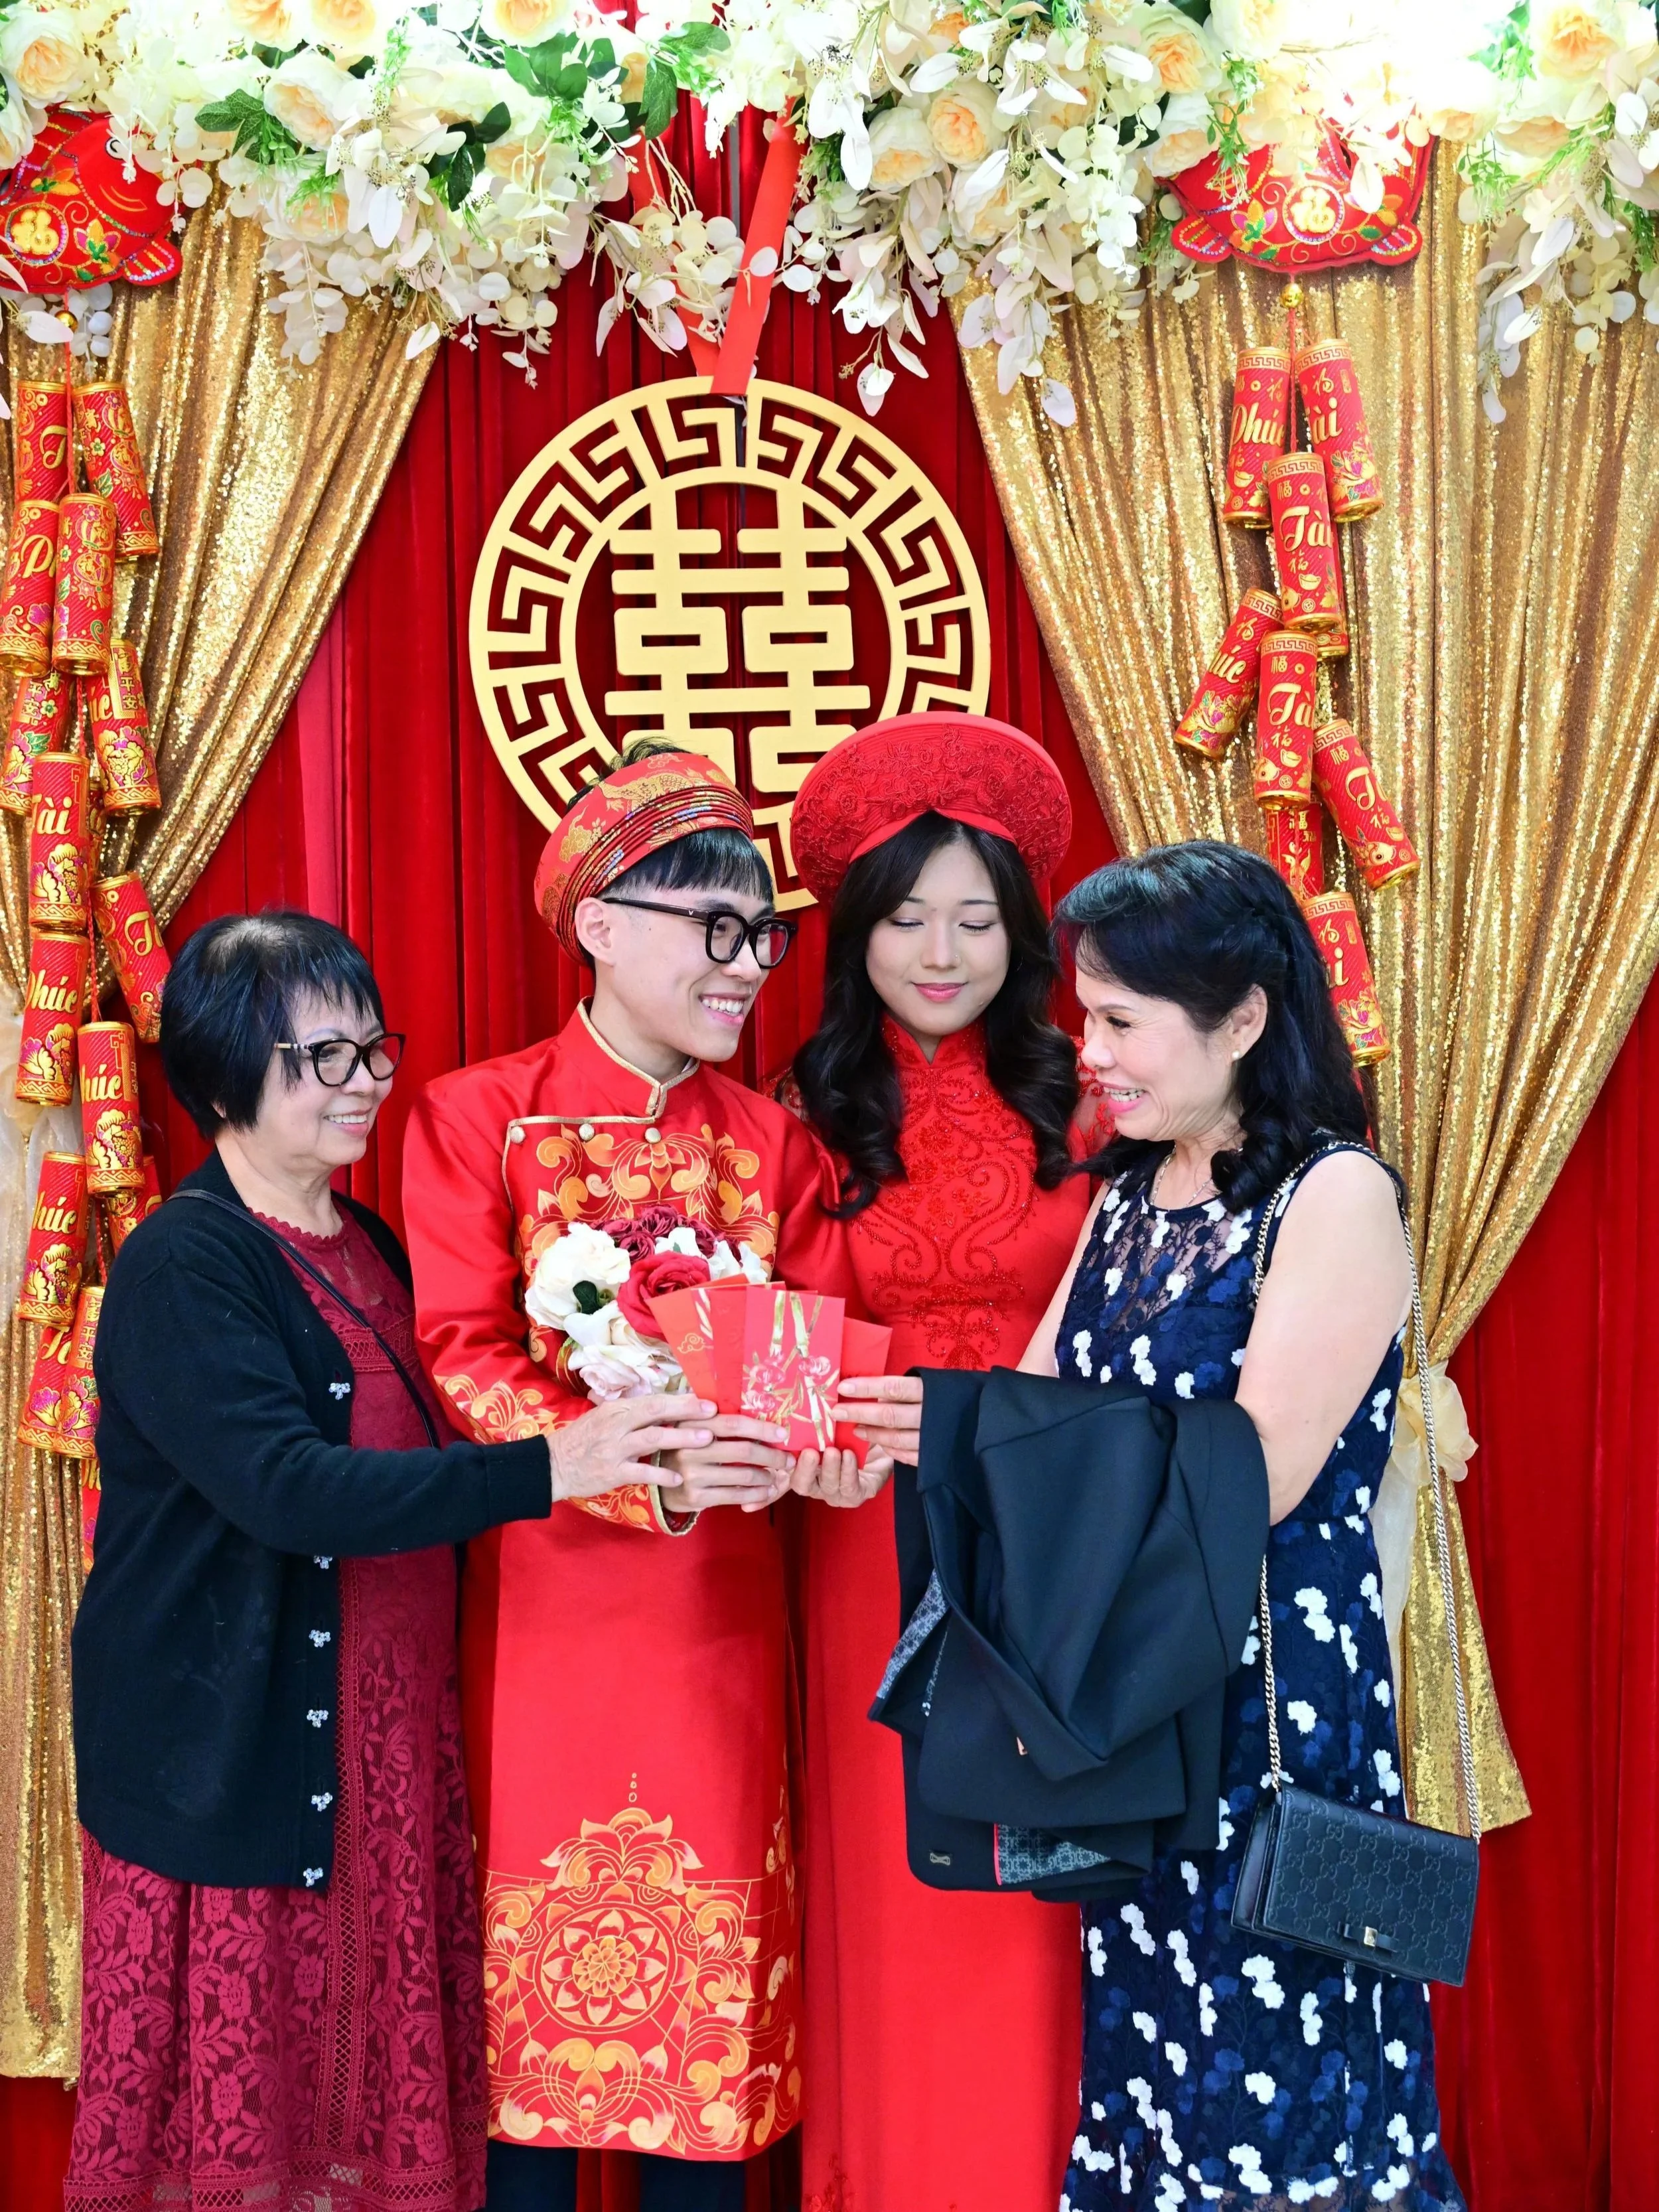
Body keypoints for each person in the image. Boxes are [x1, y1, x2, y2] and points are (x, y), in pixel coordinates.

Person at [66, 913, 681, 2212]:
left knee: (356, 2111)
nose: (359, 1085)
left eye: (370, 1052)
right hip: (238, 1754)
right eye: (320, 1059)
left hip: (383, 1753)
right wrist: (552, 1469)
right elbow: (287, 1490)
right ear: (227, 1077)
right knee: (244, 2118)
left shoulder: (371, 1244)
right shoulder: (188, 1260)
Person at [398, 747, 902, 2212]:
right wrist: (609, 1464)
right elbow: (457, 1351)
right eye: (709, 924)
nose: (742, 964)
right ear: (600, 923)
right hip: (540, 1623)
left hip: (717, 1631)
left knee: (707, 2059)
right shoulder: (473, 1117)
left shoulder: (776, 1148)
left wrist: (819, 1450)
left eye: (761, 933)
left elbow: (805, 1382)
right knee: (531, 2071)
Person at [1026, 842, 1465, 2209]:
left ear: (1240, 1020)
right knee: (1154, 2067)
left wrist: (1011, 1442)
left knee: (1292, 2068)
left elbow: (1254, 1471)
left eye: (1117, 1021)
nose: (1085, 1050)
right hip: (1141, 1707)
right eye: (1082, 1015)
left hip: (1275, 1713)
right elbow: (1025, 1412)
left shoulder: (1332, 1193)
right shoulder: (1123, 1197)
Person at [782, 713, 1110, 2212]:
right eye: (905, 917)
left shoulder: (1089, 1093)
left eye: (974, 917)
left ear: (1021, 929)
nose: (938, 950)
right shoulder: (797, 1117)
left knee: (1046, 1879)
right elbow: (771, 1324)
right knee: (889, 1868)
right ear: (853, 931)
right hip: (864, 1526)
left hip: (1056, 1526)